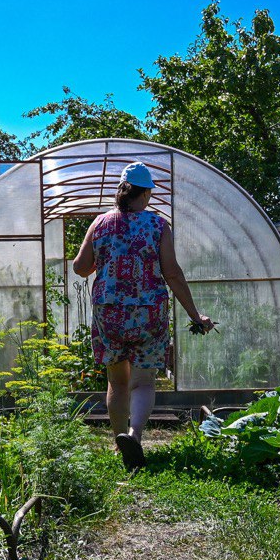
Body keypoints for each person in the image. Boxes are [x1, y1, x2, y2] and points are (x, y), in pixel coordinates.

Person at [71, 162, 214, 471]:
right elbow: (172, 273)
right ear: (146, 193)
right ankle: (135, 436)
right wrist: (195, 314)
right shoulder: (157, 225)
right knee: (144, 382)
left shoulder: (100, 224)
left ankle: (120, 438)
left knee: (117, 383)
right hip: (148, 313)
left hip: (109, 313)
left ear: (121, 192)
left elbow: (80, 268)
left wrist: (105, 256)